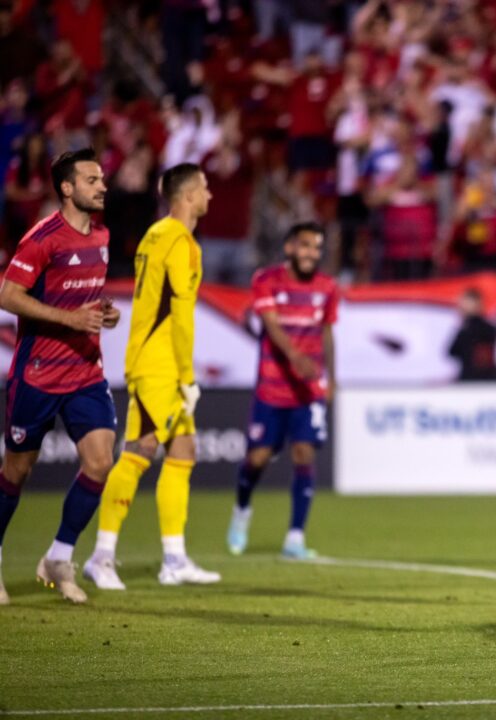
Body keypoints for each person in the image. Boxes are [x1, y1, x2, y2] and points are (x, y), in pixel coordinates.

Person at [84, 163, 220, 590]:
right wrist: (186, 376)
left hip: (153, 359)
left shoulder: (155, 234)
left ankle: (175, 559)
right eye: (205, 188)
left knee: (183, 452)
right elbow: (179, 313)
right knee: (139, 453)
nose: (210, 195)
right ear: (187, 196)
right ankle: (101, 556)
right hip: (160, 366)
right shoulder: (180, 241)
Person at [0, 148, 120, 604]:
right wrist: (69, 320)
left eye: (102, 178)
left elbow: (85, 298)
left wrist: (101, 315)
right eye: (92, 180)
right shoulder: (43, 237)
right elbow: (9, 296)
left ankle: (59, 555)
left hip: (85, 371)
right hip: (39, 373)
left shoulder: (103, 235)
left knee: (100, 461)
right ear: (67, 189)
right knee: (17, 471)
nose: (102, 186)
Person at [227, 222, 338, 560]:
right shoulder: (266, 280)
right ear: (290, 248)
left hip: (308, 391)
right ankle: (242, 510)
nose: (311, 253)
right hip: (272, 388)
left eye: (317, 247)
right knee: (257, 459)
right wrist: (295, 356)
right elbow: (270, 325)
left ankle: (295, 537)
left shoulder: (327, 287)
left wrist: (331, 377)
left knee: (304, 453)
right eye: (305, 245)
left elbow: (327, 333)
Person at [448, 288, 496, 381]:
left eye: (466, 302)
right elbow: (452, 351)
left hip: (475, 381)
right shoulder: (488, 328)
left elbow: (453, 351)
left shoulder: (473, 329)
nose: (461, 306)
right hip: (483, 380)